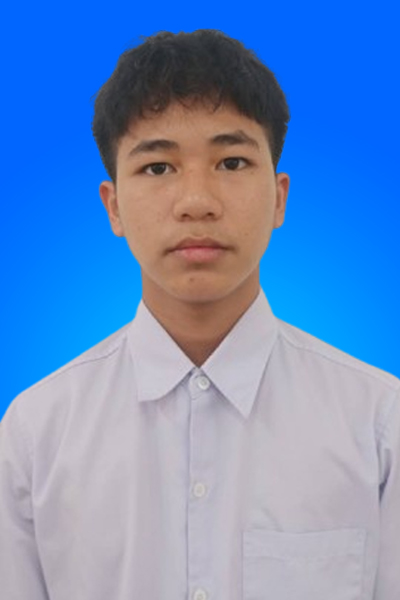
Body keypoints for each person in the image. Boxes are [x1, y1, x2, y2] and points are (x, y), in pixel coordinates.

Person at [0, 29, 399, 600]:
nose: (197, 201)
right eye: (157, 167)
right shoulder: (36, 435)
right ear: (113, 206)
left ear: (279, 197)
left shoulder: (379, 424)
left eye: (231, 161)